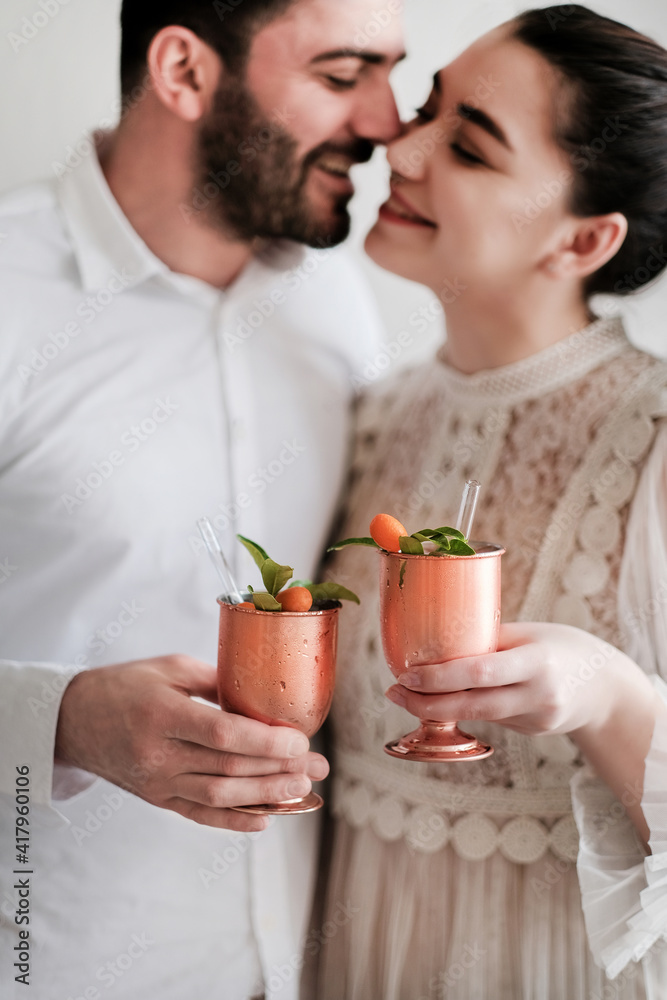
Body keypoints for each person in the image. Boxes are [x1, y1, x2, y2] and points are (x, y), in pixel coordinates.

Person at [0, 1, 405, 997]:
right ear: (183, 71)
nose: (389, 120)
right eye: (344, 73)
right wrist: (61, 722)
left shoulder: (335, 299)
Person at [316, 6, 667, 998]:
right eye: (426, 109)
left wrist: (609, 695)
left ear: (584, 237)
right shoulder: (370, 419)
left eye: (466, 147)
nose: (404, 146)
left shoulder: (658, 440)